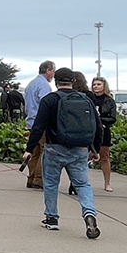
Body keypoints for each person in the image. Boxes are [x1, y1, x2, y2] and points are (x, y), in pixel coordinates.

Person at [19, 67, 102, 238]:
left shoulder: (50, 100)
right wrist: (95, 149)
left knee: (51, 184)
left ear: (56, 81)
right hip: (80, 150)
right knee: (82, 184)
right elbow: (97, 126)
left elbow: (38, 127)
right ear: (73, 81)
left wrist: (29, 149)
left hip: (54, 149)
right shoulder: (86, 99)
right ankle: (89, 213)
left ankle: (52, 218)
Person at [23, 61, 56, 189]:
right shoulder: (44, 86)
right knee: (44, 152)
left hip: (31, 121)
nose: (53, 74)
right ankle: (39, 178)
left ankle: (31, 178)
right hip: (41, 123)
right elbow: (46, 105)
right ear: (48, 70)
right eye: (53, 71)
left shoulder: (31, 84)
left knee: (34, 152)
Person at [89, 76, 118, 192]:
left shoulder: (109, 100)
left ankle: (107, 183)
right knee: (85, 156)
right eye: (94, 84)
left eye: (98, 84)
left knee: (104, 156)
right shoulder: (89, 98)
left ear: (104, 86)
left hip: (103, 130)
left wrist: (100, 120)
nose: (96, 86)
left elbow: (113, 118)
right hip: (90, 130)